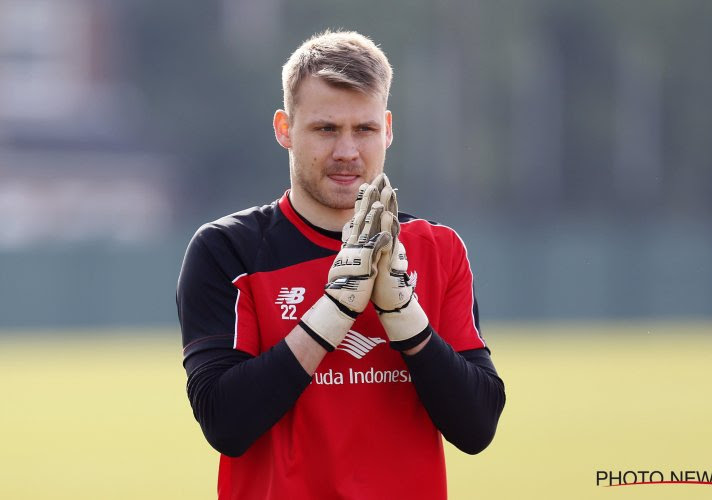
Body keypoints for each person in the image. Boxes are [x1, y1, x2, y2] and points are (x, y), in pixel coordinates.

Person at [176, 30, 505, 500]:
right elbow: (226, 423)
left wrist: (406, 320)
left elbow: (477, 429)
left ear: (388, 128)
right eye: (326, 129)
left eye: (365, 129)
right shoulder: (228, 251)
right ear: (285, 129)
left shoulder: (437, 249)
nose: (347, 151)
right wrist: (332, 313)